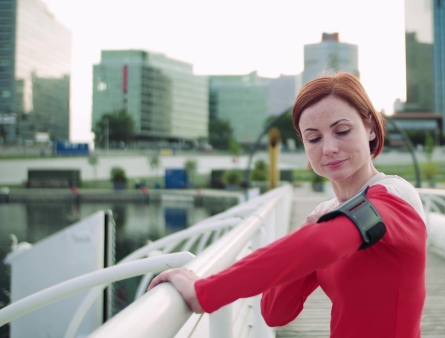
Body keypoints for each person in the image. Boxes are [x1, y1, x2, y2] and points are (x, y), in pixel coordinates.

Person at [148, 72, 427, 337]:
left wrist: (204, 291)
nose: (328, 148)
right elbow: (275, 313)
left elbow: (326, 243)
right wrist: (307, 237)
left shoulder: (394, 196)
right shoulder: (327, 215)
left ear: (370, 128)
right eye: (314, 138)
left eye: (341, 131)